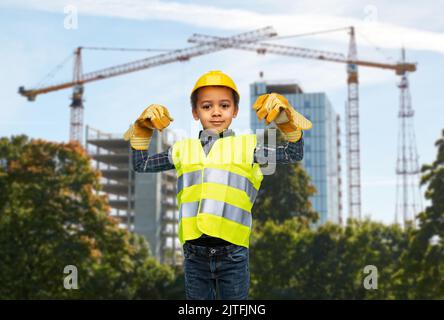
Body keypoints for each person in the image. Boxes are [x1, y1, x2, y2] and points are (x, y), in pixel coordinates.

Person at [124, 70, 312, 300]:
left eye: (224, 105)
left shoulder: (248, 147)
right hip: (194, 253)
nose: (215, 112)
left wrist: (286, 120)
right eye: (206, 106)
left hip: (233, 252)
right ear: (195, 112)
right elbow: (141, 165)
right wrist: (142, 132)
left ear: (235, 111)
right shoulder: (182, 149)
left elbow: (293, 153)